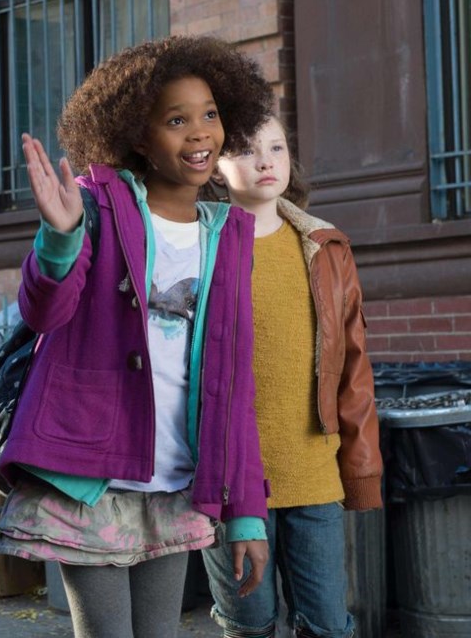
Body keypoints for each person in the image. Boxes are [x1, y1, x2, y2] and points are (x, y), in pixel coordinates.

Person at [0, 36, 276, 638]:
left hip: (176, 479)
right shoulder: (97, 205)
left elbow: (234, 384)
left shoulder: (228, 233)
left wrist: (247, 514)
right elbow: (43, 312)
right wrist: (61, 237)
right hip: (92, 477)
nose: (199, 134)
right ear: (139, 136)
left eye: (209, 115)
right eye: (176, 120)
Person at [200, 115, 383, 638]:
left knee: (327, 623)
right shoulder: (200, 245)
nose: (265, 161)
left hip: (313, 473)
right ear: (214, 166)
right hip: (231, 479)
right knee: (249, 623)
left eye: (276, 148)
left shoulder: (324, 247)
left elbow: (353, 366)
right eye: (246, 150)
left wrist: (361, 467)